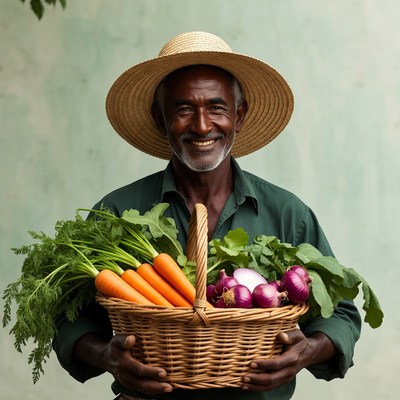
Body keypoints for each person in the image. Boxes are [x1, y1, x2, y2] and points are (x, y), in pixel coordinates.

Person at [52, 31, 361, 400]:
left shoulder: (287, 213)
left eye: (216, 107)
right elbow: (68, 318)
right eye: (183, 109)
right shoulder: (117, 212)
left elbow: (340, 312)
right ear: (160, 119)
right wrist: (106, 356)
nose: (201, 126)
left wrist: (306, 352)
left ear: (239, 115)